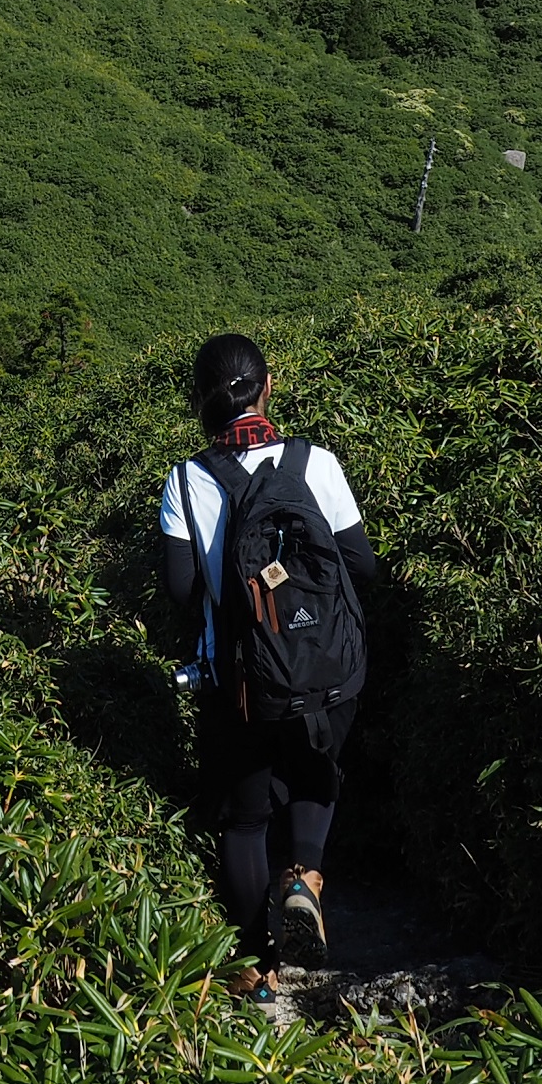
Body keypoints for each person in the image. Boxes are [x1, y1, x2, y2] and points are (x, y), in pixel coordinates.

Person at [159, 331, 377, 1000]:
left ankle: (258, 965)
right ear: (267, 385)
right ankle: (304, 877)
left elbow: (180, 591)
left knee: (246, 817)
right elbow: (362, 567)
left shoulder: (187, 480)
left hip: (242, 683)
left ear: (198, 403)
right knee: (316, 776)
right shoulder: (317, 463)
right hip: (327, 671)